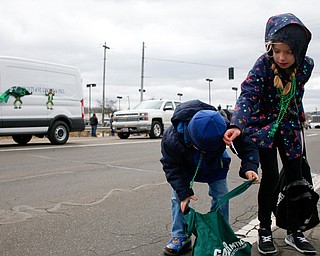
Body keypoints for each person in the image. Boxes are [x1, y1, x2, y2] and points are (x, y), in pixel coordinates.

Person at [223, 13, 316, 255]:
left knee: (296, 180)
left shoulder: (306, 66)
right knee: (271, 181)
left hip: (290, 130)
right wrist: (237, 124)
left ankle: (295, 232)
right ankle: (264, 229)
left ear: (299, 50)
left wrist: (299, 117)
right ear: (270, 48)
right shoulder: (263, 65)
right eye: (277, 51)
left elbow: (296, 94)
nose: (282, 57)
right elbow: (248, 95)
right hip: (263, 129)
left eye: (288, 52)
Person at [160, 100, 260, 256]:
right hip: (185, 166)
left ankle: (221, 234)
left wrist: (250, 167)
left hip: (215, 163)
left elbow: (247, 146)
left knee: (221, 196)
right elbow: (171, 166)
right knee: (177, 197)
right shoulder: (172, 137)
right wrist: (184, 191)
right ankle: (180, 236)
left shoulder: (224, 126)